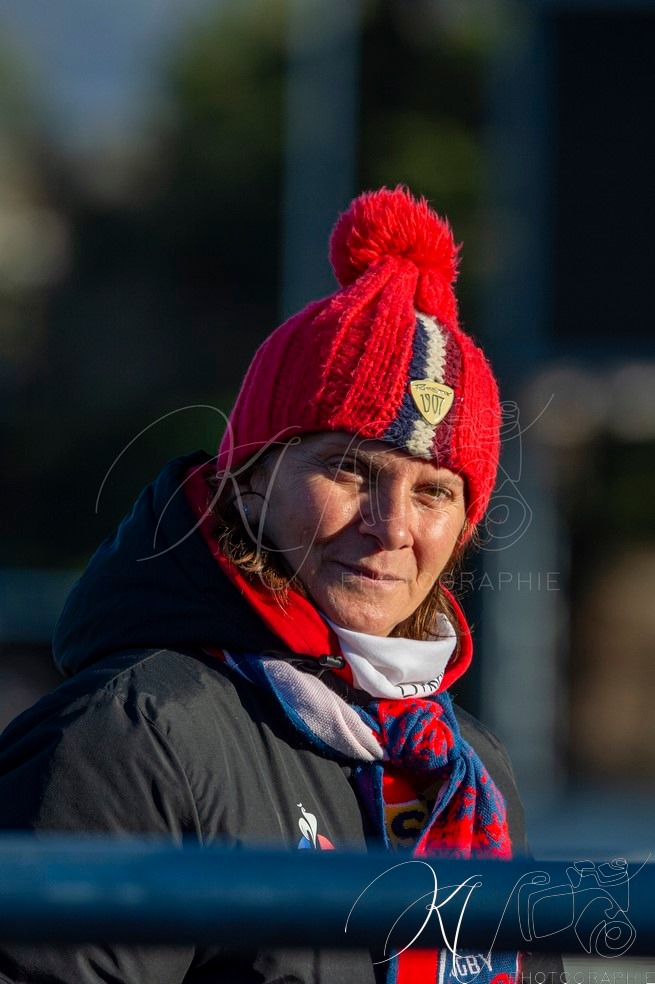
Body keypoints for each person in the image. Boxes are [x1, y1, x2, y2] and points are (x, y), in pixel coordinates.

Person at [0, 186, 554, 983]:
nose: (392, 526)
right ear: (250, 480)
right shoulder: (125, 740)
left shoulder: (470, 771)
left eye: (433, 491)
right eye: (347, 468)